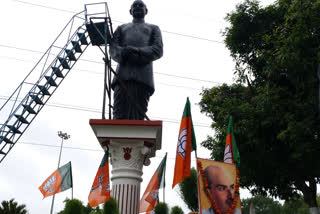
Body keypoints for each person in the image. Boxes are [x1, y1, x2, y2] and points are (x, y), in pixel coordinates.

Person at [109, 0, 163, 120]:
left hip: (143, 77)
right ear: (130, 11)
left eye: (141, 5)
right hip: (122, 76)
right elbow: (113, 48)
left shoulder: (154, 28)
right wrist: (123, 52)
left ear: (146, 10)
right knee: (118, 113)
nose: (138, 7)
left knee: (138, 115)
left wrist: (137, 51)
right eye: (135, 6)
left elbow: (158, 49)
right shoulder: (121, 28)